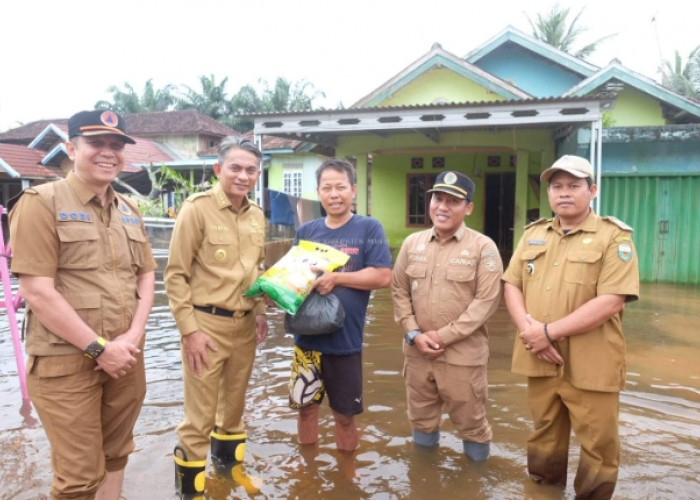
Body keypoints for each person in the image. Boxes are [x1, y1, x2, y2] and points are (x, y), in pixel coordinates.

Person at [8, 110, 156, 500]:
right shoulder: (41, 202)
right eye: (97, 144)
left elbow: (145, 277)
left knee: (116, 454)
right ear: (72, 148)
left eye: (117, 145)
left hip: (125, 356)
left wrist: (131, 339)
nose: (108, 153)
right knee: (78, 477)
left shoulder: (129, 209)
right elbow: (38, 291)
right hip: (66, 362)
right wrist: (98, 348)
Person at [502, 155, 640, 499]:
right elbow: (512, 285)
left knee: (598, 444)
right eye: (557, 186)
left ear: (591, 190)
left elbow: (612, 300)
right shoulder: (533, 235)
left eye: (574, 186)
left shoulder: (614, 237)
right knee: (544, 434)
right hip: (539, 356)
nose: (564, 193)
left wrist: (547, 332)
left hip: (592, 361)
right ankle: (542, 491)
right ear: (549, 193)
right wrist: (530, 332)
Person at [164, 136, 268, 497]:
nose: (243, 176)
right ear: (218, 168)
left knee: (235, 408)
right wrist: (189, 331)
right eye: (235, 168)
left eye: (250, 170)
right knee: (199, 418)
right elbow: (175, 274)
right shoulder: (197, 209)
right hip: (205, 325)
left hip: (244, 325)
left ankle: (228, 477)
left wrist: (259, 312)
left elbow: (254, 269)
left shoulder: (257, 215)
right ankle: (190, 493)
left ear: (258, 173)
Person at [391, 170, 503, 461]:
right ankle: (424, 477)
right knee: (421, 419)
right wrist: (413, 333)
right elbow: (399, 290)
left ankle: (474, 483)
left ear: (468, 208)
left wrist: (441, 337)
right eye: (437, 199)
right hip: (417, 355)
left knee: (472, 425)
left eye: (452, 201)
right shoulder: (411, 244)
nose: (442, 207)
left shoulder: (483, 247)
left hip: (462, 358)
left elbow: (486, 303)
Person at [290, 158, 392, 451]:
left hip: (345, 342)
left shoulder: (368, 228)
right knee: (306, 409)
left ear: (353, 190)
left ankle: (346, 480)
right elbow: (293, 279)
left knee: (344, 417)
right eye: (327, 188)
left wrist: (336, 279)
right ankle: (307, 474)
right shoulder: (306, 232)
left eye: (340, 187)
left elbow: (383, 276)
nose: (334, 194)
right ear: (318, 192)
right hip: (306, 341)